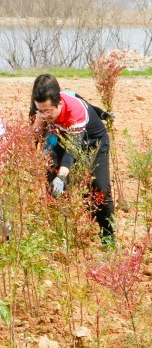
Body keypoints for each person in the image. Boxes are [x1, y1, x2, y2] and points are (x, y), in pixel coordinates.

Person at [29, 74, 115, 242]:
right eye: (40, 110)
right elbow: (41, 138)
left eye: (47, 111)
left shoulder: (74, 111)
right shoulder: (45, 110)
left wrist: (62, 175)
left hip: (93, 143)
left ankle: (108, 237)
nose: (44, 115)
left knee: (99, 188)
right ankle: (61, 232)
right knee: (53, 181)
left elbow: (73, 149)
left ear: (59, 103)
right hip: (64, 138)